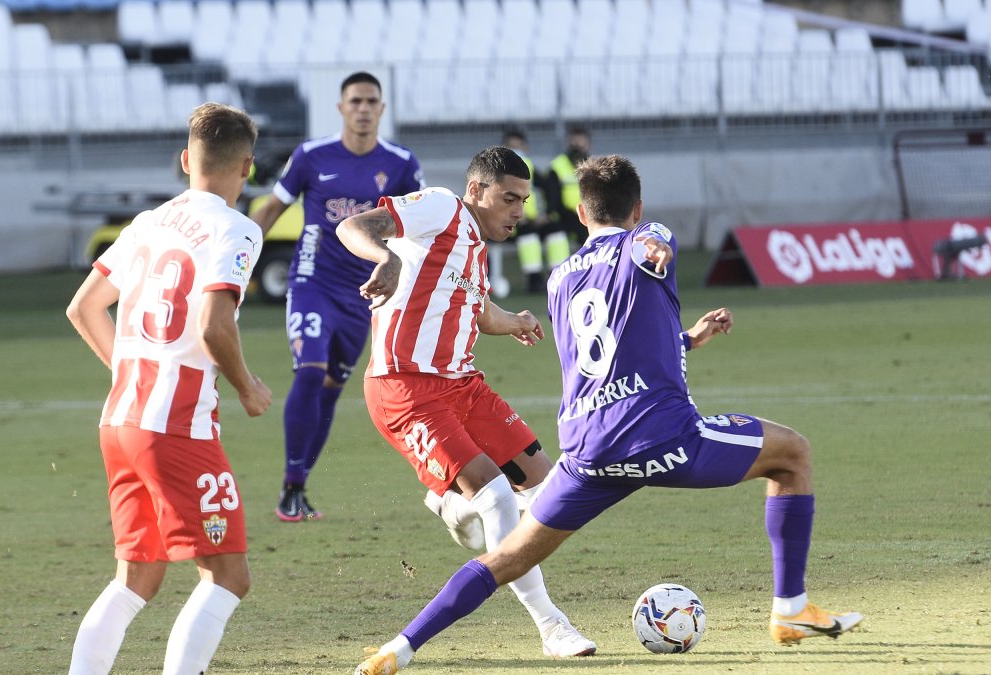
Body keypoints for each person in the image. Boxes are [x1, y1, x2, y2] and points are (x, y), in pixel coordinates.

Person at [354, 155, 863, 675]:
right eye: (511, 198)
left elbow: (606, 353)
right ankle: (791, 610)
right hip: (658, 437)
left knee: (507, 556)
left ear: (579, 214)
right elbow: (650, 248)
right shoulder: (642, 241)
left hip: (588, 452)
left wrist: (685, 339)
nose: (519, 210)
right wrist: (653, 247)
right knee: (792, 454)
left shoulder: (559, 279)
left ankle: (400, 648)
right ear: (637, 209)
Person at [337, 145, 597, 662]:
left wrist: (517, 321)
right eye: (508, 198)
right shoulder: (441, 208)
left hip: (463, 386)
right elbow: (353, 228)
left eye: (523, 200)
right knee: (499, 498)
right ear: (476, 191)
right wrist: (384, 255)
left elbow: (476, 313)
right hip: (405, 387)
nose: (519, 211)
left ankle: (453, 502)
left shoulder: (474, 246)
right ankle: (552, 626)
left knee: (547, 486)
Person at [65, 103, 272, 675]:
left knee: (138, 576)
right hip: (176, 429)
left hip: (121, 421)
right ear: (248, 167)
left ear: (186, 160)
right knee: (228, 575)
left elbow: (83, 309)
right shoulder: (238, 229)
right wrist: (248, 388)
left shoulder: (148, 222)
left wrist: (132, 370)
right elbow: (213, 324)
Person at [250, 71, 426, 522]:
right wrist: (241, 260)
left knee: (330, 389)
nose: (363, 109)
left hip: (364, 294)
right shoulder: (311, 156)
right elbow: (272, 207)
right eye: (355, 101)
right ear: (341, 108)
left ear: (382, 110)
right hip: (312, 281)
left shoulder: (402, 163)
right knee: (310, 370)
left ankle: (299, 487)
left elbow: (420, 225)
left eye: (371, 101)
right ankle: (289, 486)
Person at [495, 128, 571, 295]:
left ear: (526, 148)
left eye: (518, 147)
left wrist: (546, 215)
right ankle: (534, 278)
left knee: (556, 230)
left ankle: (559, 276)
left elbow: (549, 191)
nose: (515, 152)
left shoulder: (530, 168)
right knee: (527, 234)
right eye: (510, 147)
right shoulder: (496, 174)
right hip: (513, 224)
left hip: (535, 220)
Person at [541, 125, 591, 249]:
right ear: (568, 143)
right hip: (564, 217)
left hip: (589, 215)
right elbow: (553, 199)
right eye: (574, 142)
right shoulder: (557, 166)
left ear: (588, 144)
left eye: (581, 142)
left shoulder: (594, 166)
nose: (577, 146)